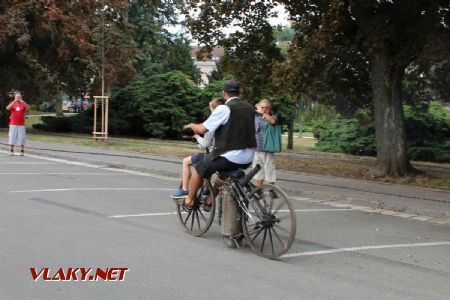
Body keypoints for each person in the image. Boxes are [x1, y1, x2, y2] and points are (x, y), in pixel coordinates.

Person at [180, 80, 256, 210]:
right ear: (238, 92)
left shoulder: (224, 108)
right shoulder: (249, 108)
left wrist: (191, 126)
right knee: (222, 174)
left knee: (200, 167)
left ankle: (190, 199)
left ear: (224, 93)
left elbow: (203, 129)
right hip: (249, 155)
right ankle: (209, 201)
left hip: (231, 155)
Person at [171, 98, 225, 199]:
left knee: (186, 161)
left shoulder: (213, 121)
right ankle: (205, 190)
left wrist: (197, 137)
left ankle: (184, 189)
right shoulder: (227, 121)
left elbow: (206, 144)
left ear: (214, 110)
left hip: (213, 155)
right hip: (224, 154)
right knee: (206, 164)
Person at [253, 99, 278, 186]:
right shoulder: (256, 118)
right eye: (262, 107)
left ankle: (272, 191)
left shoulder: (273, 117)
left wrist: (263, 113)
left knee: (270, 170)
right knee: (258, 171)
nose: (264, 109)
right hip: (258, 149)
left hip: (268, 149)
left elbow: (273, 122)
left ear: (269, 108)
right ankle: (259, 191)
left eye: (266, 108)